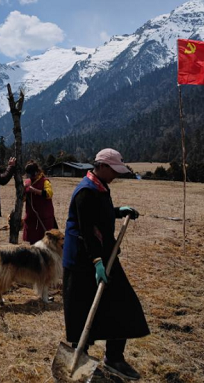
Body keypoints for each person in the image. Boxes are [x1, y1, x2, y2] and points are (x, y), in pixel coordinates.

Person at [62, 148, 148, 381]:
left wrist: (117, 212)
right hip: (82, 261)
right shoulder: (85, 191)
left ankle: (114, 358)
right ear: (101, 166)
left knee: (122, 304)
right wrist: (97, 262)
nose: (116, 175)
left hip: (103, 255)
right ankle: (79, 359)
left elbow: (99, 215)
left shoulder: (100, 187)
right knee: (82, 310)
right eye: (114, 170)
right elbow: (87, 229)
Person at [22, 160, 57, 244]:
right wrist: (23, 191)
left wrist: (34, 190)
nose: (31, 176)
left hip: (44, 216)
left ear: (37, 172)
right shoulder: (26, 182)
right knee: (32, 241)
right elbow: (23, 199)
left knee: (46, 241)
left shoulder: (45, 181)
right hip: (31, 217)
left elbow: (49, 194)